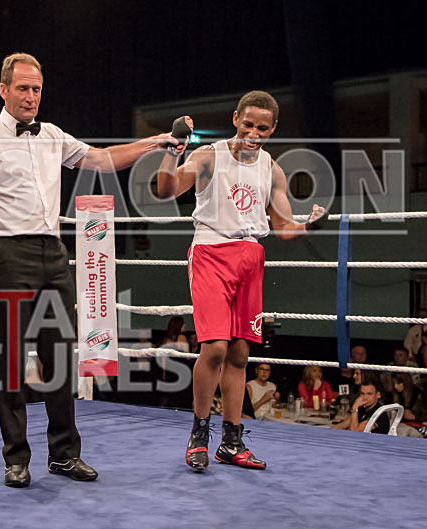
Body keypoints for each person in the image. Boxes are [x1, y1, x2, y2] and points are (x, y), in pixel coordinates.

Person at [0, 52, 173, 487]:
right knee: (13, 361)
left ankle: (63, 454)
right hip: (8, 251)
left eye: (37, 88)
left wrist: (156, 143)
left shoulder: (53, 135)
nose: (31, 96)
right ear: (3, 90)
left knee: (60, 358)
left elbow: (101, 160)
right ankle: (16, 458)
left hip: (54, 252)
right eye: (22, 88)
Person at [156, 90, 327, 472]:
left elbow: (283, 229)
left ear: (273, 128)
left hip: (251, 256)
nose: (253, 132)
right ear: (235, 118)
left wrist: (307, 224)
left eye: (262, 128)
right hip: (211, 252)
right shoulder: (208, 156)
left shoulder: (272, 168)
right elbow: (166, 190)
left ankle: (231, 441)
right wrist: (174, 147)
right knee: (214, 348)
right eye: (248, 124)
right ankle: (199, 433)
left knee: (239, 354)